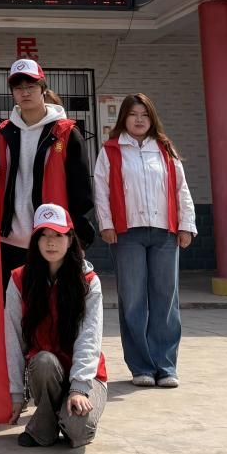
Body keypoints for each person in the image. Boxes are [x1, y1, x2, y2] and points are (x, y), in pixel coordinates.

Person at [93, 93, 196, 389]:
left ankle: (166, 366)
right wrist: (106, 224)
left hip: (165, 232)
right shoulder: (111, 150)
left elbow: (181, 189)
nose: (139, 120)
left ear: (152, 119)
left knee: (166, 298)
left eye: (145, 115)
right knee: (133, 299)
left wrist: (186, 226)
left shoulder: (164, 149)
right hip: (127, 233)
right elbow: (101, 189)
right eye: (133, 114)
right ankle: (141, 367)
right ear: (123, 118)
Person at [4, 203, 108, 449]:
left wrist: (79, 388)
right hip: (47, 374)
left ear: (70, 240)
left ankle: (55, 418)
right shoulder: (19, 280)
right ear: (35, 241)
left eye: (58, 235)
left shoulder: (88, 281)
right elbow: (13, 338)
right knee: (43, 361)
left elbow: (90, 337)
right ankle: (47, 423)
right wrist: (17, 394)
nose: (51, 242)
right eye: (44, 235)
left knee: (78, 432)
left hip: (86, 375)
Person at [0, 59, 94, 292]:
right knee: (11, 306)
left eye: (31, 86)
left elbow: (81, 190)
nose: (24, 92)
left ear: (43, 89)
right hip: (8, 241)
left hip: (52, 240)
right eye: (18, 88)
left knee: (51, 306)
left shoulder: (66, 133)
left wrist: (80, 238)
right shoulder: (1, 134)